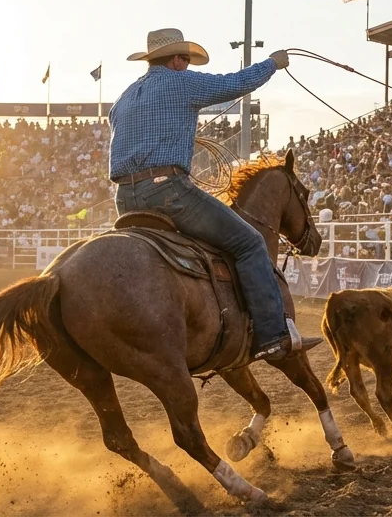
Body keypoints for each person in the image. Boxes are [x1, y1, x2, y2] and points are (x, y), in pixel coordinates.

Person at [109, 28, 315, 362]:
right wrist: (272, 64)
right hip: (168, 192)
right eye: (186, 60)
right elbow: (235, 83)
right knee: (249, 243)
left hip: (125, 198)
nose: (188, 66)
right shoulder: (180, 82)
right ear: (177, 60)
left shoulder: (124, 98)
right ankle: (271, 334)